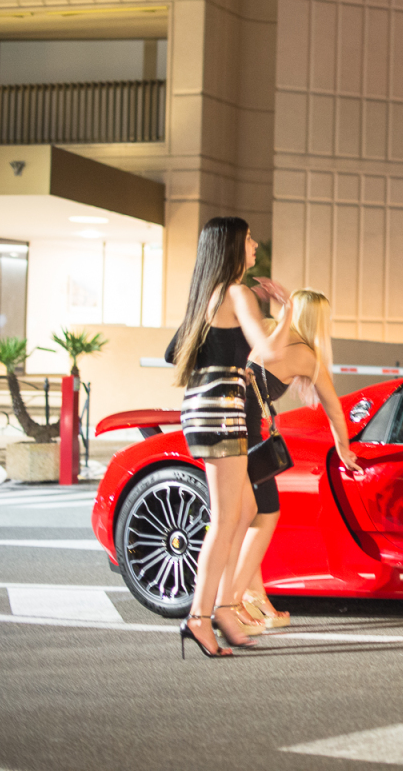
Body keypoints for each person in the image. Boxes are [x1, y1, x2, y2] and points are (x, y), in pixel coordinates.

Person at [168, 217, 292, 659]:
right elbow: (268, 351)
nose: (255, 244)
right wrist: (288, 309)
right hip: (222, 414)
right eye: (249, 238)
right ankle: (200, 616)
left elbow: (174, 351)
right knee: (224, 519)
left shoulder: (207, 294)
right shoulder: (237, 293)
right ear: (233, 247)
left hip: (204, 412)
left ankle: (222, 608)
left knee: (249, 508)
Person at [226, 288, 357, 628]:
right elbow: (334, 409)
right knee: (266, 514)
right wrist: (344, 447)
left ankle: (258, 599)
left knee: (250, 518)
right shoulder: (305, 355)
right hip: (249, 436)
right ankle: (231, 601)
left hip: (226, 424)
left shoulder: (269, 329)